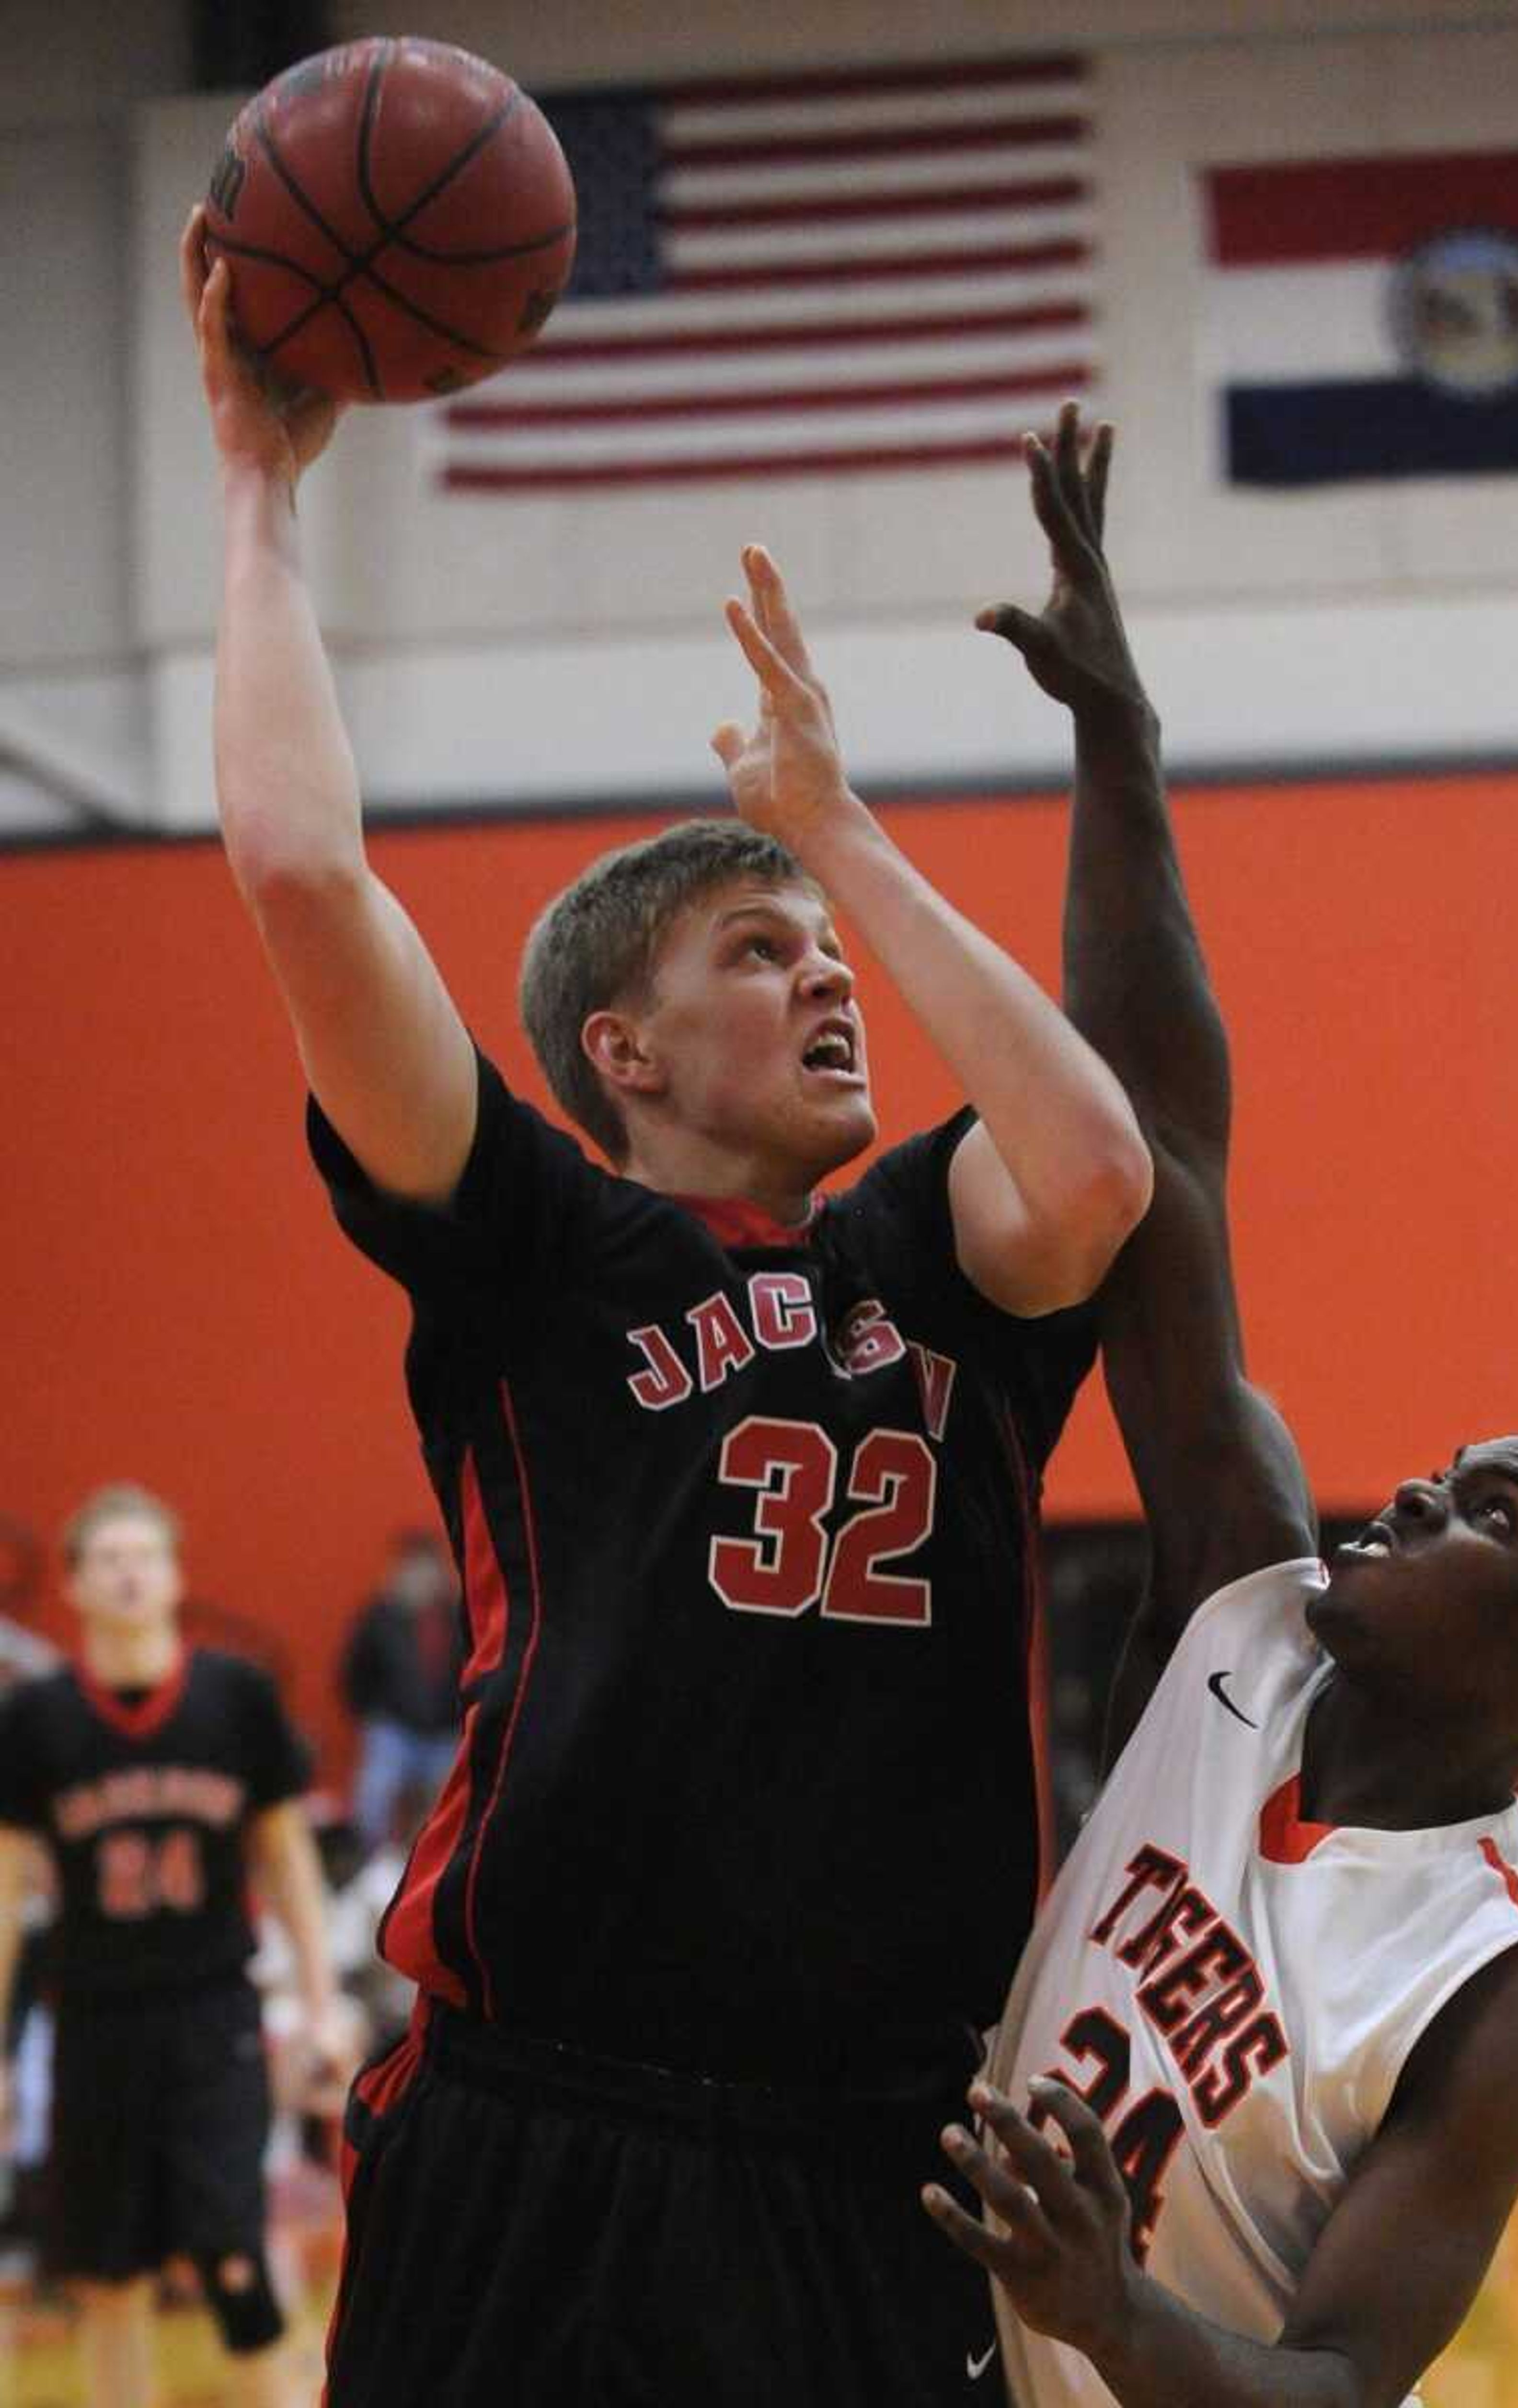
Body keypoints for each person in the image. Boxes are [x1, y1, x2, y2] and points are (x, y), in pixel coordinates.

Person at [181, 211, 1150, 2407]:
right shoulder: (539, 1246)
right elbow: (306, 874)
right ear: (617, 1047)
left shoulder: (935, 1252)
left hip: (881, 2145)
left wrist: (835, 834)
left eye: (824, 945)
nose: (825, 974)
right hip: (542, 2118)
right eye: (755, 945)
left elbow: (1099, 1167)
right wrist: (256, 489)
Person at [921, 407, 1518, 2408]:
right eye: (1462, 1468)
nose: (1426, 1486)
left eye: (1493, 1511)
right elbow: (1164, 1150)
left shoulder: (1504, 1979)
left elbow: (1344, 2385)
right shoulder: (1244, 1604)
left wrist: (1114, 2314)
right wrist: (1123, 748)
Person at [0, 1484, 344, 2408]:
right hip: (97, 2021)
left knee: (234, 2258)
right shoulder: (35, 1724)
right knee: (109, 2280)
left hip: (212, 2017)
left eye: (145, 1555)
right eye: (107, 1557)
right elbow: (3, 1896)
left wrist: (320, 2003)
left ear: (177, 1575)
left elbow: (288, 1859)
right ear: (70, 1585)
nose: (128, 1573)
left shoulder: (237, 1697)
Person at [336, 1530, 463, 1854]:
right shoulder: (380, 1617)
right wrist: (371, 1717)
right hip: (394, 1730)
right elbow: (353, 1671)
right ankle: (366, 1859)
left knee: (456, 1803)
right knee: (375, 1794)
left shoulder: (459, 1615)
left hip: (446, 1733)